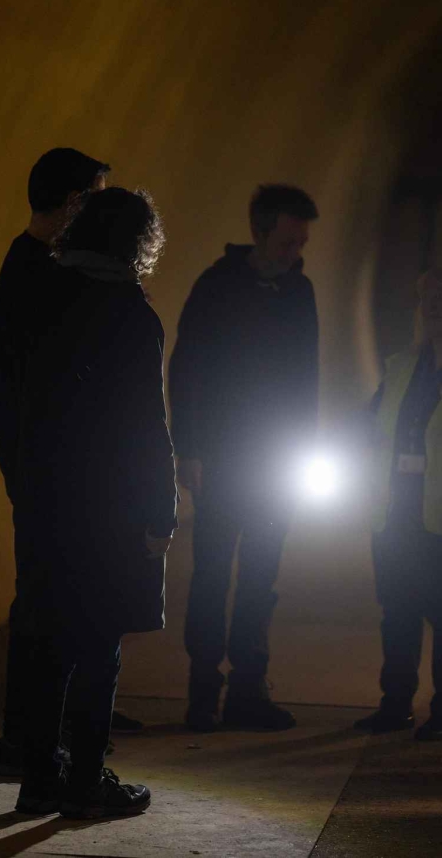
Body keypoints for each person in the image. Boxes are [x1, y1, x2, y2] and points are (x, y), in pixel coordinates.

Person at [13, 187, 176, 818]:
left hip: (46, 496)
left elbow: (13, 396)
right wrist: (160, 509)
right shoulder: (130, 314)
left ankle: (38, 777)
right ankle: (85, 778)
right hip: (109, 504)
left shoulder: (43, 300)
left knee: (47, 640)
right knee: (97, 644)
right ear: (139, 245)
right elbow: (145, 423)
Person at [0, 148, 122, 776]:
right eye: (95, 199)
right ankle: (28, 742)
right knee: (46, 604)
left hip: (37, 464)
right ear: (72, 203)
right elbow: (16, 383)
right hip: (48, 469)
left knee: (43, 600)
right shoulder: (44, 272)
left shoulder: (29, 262)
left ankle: (36, 734)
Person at [170, 184, 320, 732]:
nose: (295, 252)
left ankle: (247, 689)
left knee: (261, 575)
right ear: (259, 232)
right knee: (212, 572)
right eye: (286, 241)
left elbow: (307, 377)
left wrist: (305, 448)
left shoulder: (299, 291)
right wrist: (188, 447)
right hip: (222, 457)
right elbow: (186, 369)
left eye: (300, 242)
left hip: (276, 460)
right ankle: (204, 690)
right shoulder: (217, 286)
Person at [354, 268, 442, 741]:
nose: (431, 307)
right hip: (396, 507)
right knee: (397, 609)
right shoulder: (403, 365)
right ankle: (395, 704)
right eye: (425, 298)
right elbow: (372, 424)